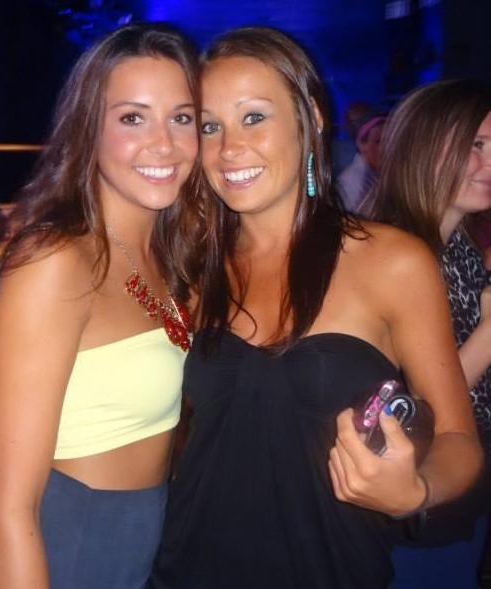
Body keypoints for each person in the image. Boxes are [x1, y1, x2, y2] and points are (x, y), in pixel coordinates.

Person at [148, 28, 482, 589]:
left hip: (332, 569)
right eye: (209, 126)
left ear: (312, 120)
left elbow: (459, 441)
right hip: (185, 567)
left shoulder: (391, 261)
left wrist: (414, 491)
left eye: (254, 117)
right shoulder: (192, 269)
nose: (229, 147)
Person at [0, 23, 199, 589]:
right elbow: (8, 512)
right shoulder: (55, 261)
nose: (164, 144)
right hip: (70, 542)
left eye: (181, 117)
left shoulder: (168, 251)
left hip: (146, 533)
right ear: (88, 129)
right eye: (132, 118)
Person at [373, 79, 491, 589]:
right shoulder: (389, 253)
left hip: (462, 479)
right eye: (476, 145)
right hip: (416, 495)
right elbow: (407, 403)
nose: (490, 163)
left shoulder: (458, 243)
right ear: (425, 144)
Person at [337, 111, 386, 216]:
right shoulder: (352, 182)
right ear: (362, 145)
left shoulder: (380, 176)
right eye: (378, 141)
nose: (385, 148)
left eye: (389, 141)